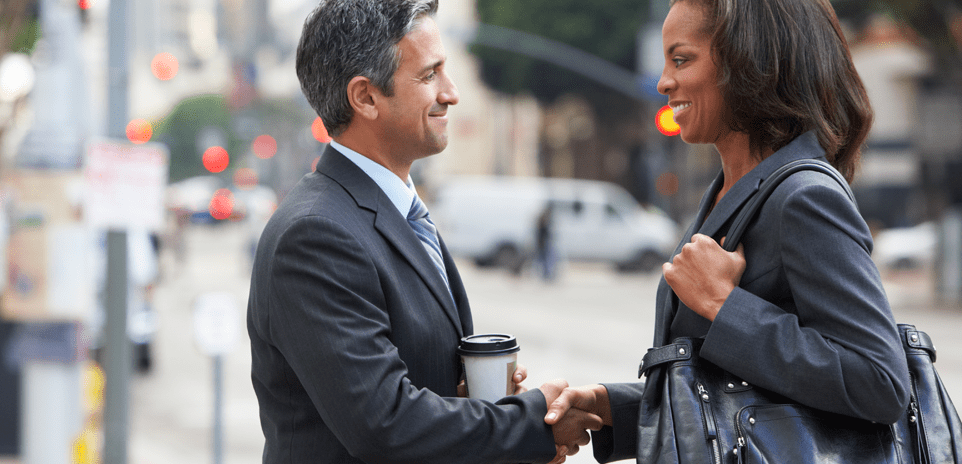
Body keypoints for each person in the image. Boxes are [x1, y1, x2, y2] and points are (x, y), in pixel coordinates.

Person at [543, 0, 910, 461]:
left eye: (681, 59)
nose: (663, 81)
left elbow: (879, 382)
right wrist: (608, 405)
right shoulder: (728, 191)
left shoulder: (804, 197)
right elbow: (735, 397)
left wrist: (724, 305)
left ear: (747, 62)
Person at [246, 1, 600, 463]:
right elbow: (386, 424)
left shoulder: (398, 212)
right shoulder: (315, 235)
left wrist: (484, 406)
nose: (451, 93)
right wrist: (531, 423)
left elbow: (419, 387)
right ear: (366, 97)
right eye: (429, 75)